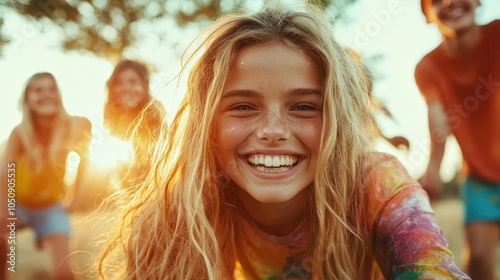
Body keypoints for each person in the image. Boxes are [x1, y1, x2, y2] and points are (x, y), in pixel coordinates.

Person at [100, 3, 469, 279]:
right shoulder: (182, 206)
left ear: (337, 119)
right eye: (243, 106)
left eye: (305, 107)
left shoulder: (376, 184)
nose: (272, 130)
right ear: (206, 125)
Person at [415, 0, 500, 278]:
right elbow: (438, 120)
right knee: (477, 261)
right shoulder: (428, 67)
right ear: (427, 16)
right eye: (436, 1)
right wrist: (432, 171)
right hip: (478, 176)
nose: (450, 2)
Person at [0, 72, 92, 279]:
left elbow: (83, 163)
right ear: (27, 100)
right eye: (38, 90)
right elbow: (7, 172)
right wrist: (6, 208)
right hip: (19, 204)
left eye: (52, 89)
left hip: (51, 207)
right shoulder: (19, 133)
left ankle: (44, 232)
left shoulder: (72, 128)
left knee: (64, 274)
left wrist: (74, 199)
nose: (46, 94)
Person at [103, 59, 166, 186]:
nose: (125, 88)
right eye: (119, 82)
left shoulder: (155, 112)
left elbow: (157, 165)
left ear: (144, 85)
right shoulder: (116, 117)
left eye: (132, 82)